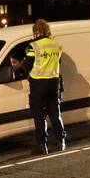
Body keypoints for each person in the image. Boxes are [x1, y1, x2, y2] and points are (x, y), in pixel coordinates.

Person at [23, 19, 65, 154]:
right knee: (55, 114)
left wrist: (21, 67)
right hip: (54, 83)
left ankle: (42, 146)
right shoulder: (56, 45)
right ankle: (61, 142)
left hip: (38, 84)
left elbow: (27, 66)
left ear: (36, 31)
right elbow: (58, 62)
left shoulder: (33, 46)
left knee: (39, 116)